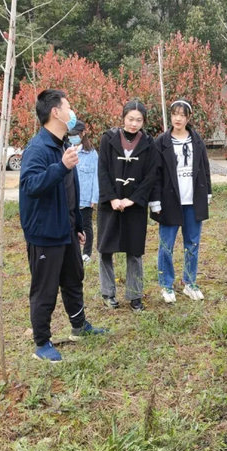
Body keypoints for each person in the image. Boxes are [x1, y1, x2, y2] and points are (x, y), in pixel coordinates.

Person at [19, 89, 107, 363]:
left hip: (66, 227)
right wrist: (60, 166)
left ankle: (79, 326)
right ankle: (42, 343)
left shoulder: (61, 145)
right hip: (45, 232)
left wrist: (78, 223)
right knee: (45, 288)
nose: (72, 112)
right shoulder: (38, 149)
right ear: (55, 112)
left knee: (73, 278)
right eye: (68, 107)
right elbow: (30, 186)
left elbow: (70, 188)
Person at [97, 100, 158, 312]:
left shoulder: (148, 143)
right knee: (106, 249)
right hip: (110, 205)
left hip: (135, 206)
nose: (134, 124)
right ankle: (108, 293)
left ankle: (135, 295)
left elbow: (151, 175)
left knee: (134, 250)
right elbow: (102, 170)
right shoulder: (108, 139)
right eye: (130, 119)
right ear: (123, 118)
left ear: (144, 121)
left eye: (138, 120)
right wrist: (112, 198)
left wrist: (133, 199)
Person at [150, 99, 212, 303]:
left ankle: (189, 282)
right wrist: (155, 201)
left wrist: (207, 192)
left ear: (188, 117)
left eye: (182, 115)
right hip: (170, 201)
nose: (178, 118)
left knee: (192, 243)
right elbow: (155, 174)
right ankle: (166, 285)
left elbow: (204, 168)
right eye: (175, 114)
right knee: (166, 245)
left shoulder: (197, 140)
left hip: (193, 200)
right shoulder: (161, 142)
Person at [68, 120, 98, 265]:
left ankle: (86, 253)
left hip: (85, 197)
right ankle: (73, 252)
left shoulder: (91, 154)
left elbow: (96, 176)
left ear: (83, 133)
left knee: (86, 225)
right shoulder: (67, 150)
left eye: (75, 134)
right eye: (70, 135)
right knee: (71, 224)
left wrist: (94, 198)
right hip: (70, 196)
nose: (72, 137)